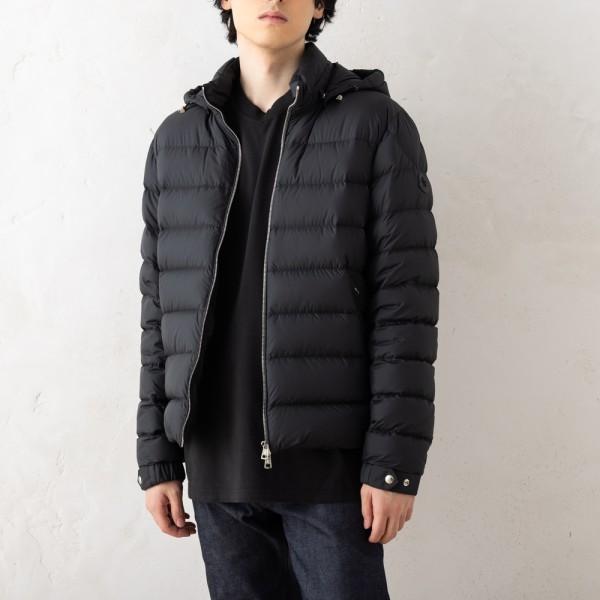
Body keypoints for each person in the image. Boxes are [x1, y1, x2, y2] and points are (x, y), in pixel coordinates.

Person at [135, 1, 439, 598]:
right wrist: (158, 457)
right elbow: (158, 312)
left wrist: (393, 463)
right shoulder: (178, 139)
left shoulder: (375, 125)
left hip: (331, 470)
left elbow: (404, 307)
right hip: (217, 465)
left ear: (320, 4)